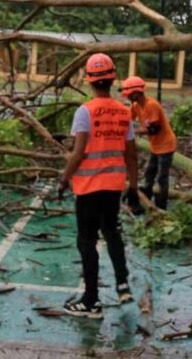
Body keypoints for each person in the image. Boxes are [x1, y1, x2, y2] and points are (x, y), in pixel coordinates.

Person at [58, 53, 141, 319]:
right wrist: (134, 186)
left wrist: (63, 179)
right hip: (113, 187)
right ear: (112, 78)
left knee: (87, 242)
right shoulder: (123, 112)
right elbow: (131, 155)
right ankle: (122, 283)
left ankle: (91, 301)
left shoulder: (85, 112)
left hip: (88, 187)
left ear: (89, 80)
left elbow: (79, 152)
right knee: (112, 232)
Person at [121, 76, 177, 210]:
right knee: (149, 173)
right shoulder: (135, 106)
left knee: (162, 178)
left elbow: (153, 129)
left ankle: (161, 206)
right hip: (155, 146)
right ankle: (145, 197)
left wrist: (134, 132)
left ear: (136, 92)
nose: (127, 97)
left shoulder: (151, 105)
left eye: (129, 94)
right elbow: (127, 120)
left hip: (166, 145)